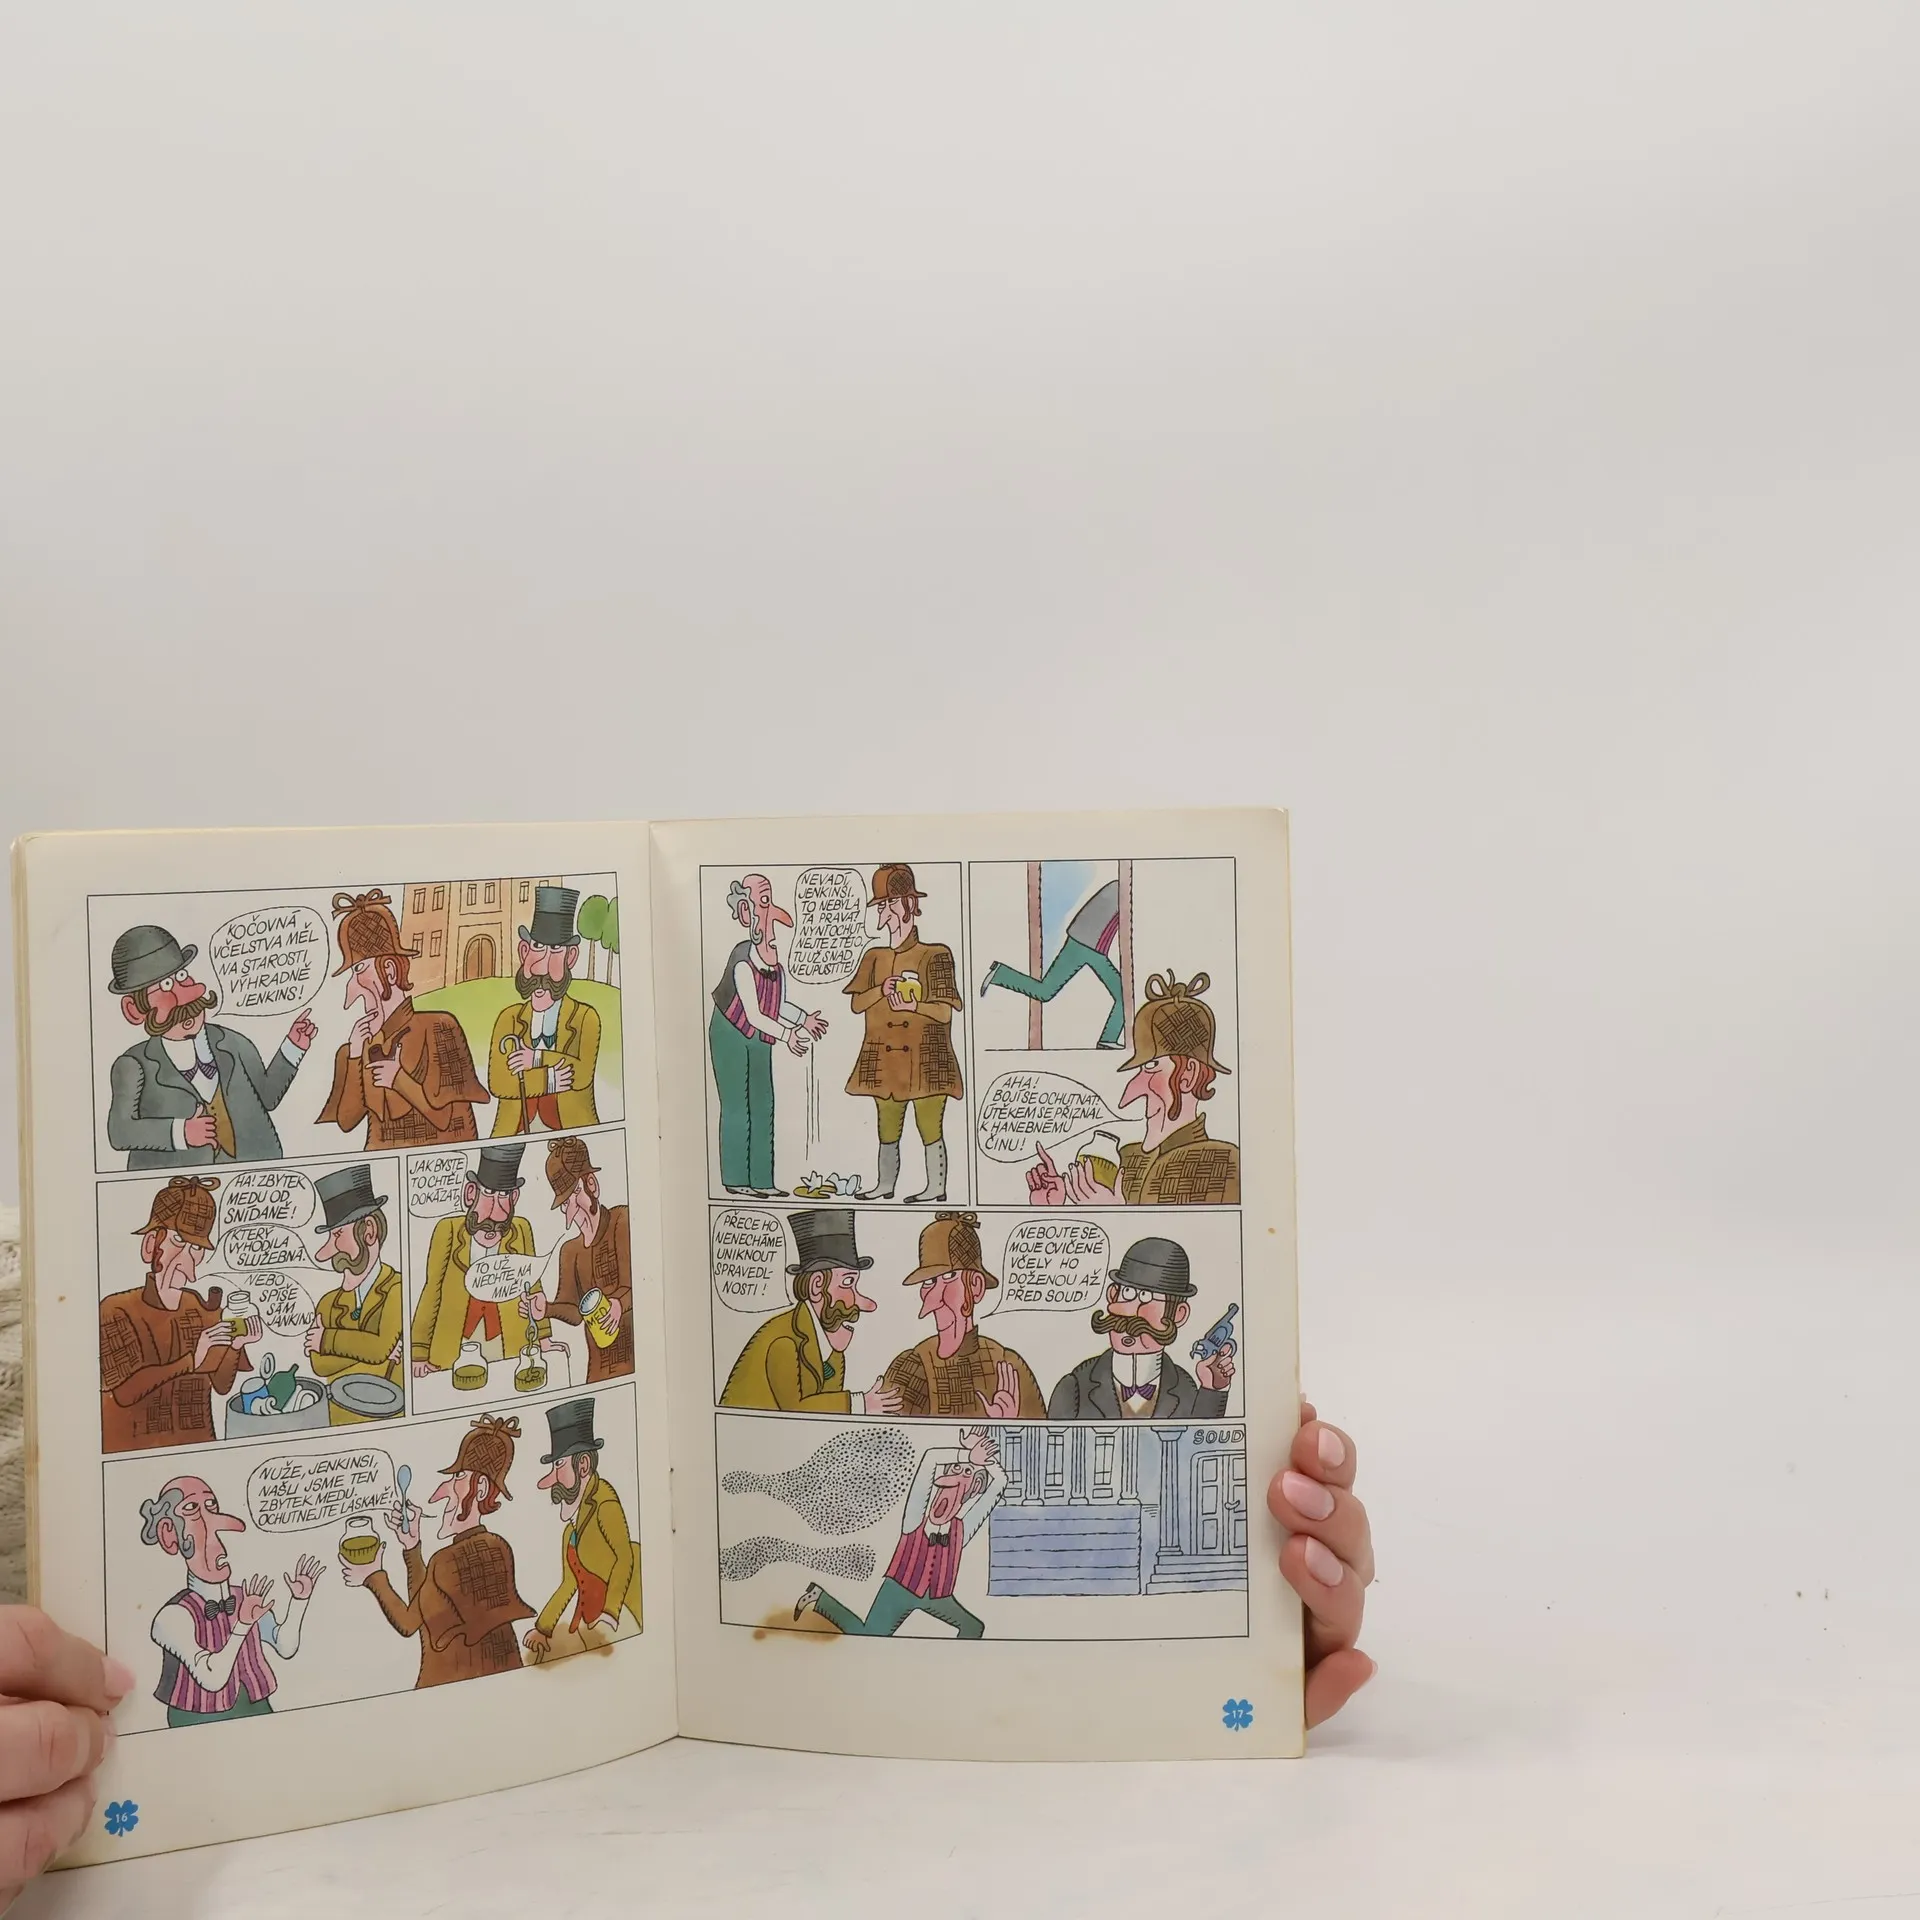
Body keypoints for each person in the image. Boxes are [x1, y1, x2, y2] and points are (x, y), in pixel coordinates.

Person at [341, 1414, 535, 1688]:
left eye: (458, 1477)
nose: (444, 1489)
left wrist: (374, 1576)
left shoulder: (445, 1561)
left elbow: (409, 1622)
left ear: (480, 1488)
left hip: (452, 1688)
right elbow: (430, 1609)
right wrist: (412, 1547)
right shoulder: (499, 1547)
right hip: (504, 1682)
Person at [104, 923, 316, 1168]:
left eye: (181, 976)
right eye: (165, 987)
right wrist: (181, 1133)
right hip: (179, 1181)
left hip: (252, 1170)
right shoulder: (133, 1065)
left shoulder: (233, 1042)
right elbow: (120, 1132)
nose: (186, 995)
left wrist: (292, 1047)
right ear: (134, 1010)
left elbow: (267, 1097)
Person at [1027, 970, 1240, 1207]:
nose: (1134, 1091)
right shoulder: (1127, 1160)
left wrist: (1117, 1212)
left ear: (1188, 1074)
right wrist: (1057, 1205)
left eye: (1152, 1067)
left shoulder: (1224, 1163)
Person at [139, 1476, 322, 1727]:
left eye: (211, 1505)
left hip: (256, 1709)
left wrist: (299, 1601)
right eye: (191, 1508)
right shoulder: (172, 1617)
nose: (209, 1518)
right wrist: (242, 1625)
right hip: (197, 1721)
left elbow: (285, 1647)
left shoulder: (245, 1598)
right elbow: (212, 1679)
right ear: (168, 1533)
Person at [99, 1175, 260, 1453]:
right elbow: (124, 1392)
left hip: (197, 1443)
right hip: (132, 1448)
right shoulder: (116, 1309)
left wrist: (236, 1346)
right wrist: (192, 1359)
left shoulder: (198, 1306)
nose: (187, 1256)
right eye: (178, 1240)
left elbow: (221, 1385)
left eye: (196, 1247)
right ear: (152, 1243)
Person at [315, 888, 487, 1148]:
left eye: (360, 969)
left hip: (438, 1163)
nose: (353, 985)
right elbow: (346, 1121)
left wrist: (398, 1079)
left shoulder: (439, 1028)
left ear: (389, 970)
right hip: (382, 1165)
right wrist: (354, 1055)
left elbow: (443, 1119)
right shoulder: (356, 1048)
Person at [796, 1428, 1006, 1639]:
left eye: (967, 1473)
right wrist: (966, 1454)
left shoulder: (961, 1530)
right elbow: (931, 1458)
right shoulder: (915, 1517)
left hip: (936, 1596)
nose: (958, 1474)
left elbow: (1000, 1482)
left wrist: (983, 1461)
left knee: (973, 1627)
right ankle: (821, 1599)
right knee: (871, 1635)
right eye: (956, 1468)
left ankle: (953, 1663)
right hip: (899, 1589)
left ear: (975, 1486)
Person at [844, 864, 964, 1201]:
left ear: (911, 903)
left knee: (930, 1127)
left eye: (892, 902)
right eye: (881, 904)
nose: (887, 911)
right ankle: (885, 1185)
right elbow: (856, 1005)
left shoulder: (936, 954)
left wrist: (914, 1006)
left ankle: (936, 1188)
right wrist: (881, 990)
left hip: (927, 1059)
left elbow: (944, 1011)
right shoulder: (874, 957)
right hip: (883, 1060)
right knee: (886, 1128)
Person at [707, 873, 828, 1197]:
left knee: (763, 1103)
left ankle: (763, 1181)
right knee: (737, 1106)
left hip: (762, 1035)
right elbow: (754, 1014)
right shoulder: (742, 963)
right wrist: (789, 1035)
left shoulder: (776, 968)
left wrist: (803, 1020)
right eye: (763, 902)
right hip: (730, 1032)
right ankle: (736, 1179)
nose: (773, 916)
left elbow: (777, 1005)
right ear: (747, 913)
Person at [719, 1208, 902, 1414]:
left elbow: (823, 1409)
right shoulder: (784, 1341)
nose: (866, 1304)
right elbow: (795, 1409)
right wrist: (861, 1404)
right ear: (817, 1285)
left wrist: (835, 1353)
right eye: (847, 1282)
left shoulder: (827, 1347)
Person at [876, 1212, 1044, 1420]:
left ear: (976, 1286)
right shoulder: (911, 1367)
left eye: (949, 1277)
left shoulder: (1007, 1365)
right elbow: (887, 1435)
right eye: (929, 1281)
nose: (935, 1294)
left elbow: (1042, 1436)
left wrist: (1007, 1425)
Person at [1046, 1235, 1235, 1420]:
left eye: (1146, 1297)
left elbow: (1202, 1438)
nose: (1130, 1311)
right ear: (1112, 1295)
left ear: (1179, 1314)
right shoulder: (1075, 1388)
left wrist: (1212, 1390)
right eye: (1127, 1293)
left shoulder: (1185, 1389)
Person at [410, 1144, 555, 1377]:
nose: (496, 1209)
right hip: (458, 1344)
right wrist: (418, 1352)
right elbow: (431, 1290)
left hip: (507, 1342)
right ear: (471, 1193)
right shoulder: (448, 1231)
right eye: (488, 1193)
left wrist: (544, 1337)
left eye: (504, 1195)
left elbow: (533, 1284)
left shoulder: (521, 1229)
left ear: (514, 1197)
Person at [523, 1398, 642, 1663]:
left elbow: (624, 1557)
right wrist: (543, 1628)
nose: (550, 1481)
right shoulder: (571, 1530)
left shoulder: (604, 1503)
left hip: (619, 1618)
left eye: (558, 1465)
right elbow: (569, 1583)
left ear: (583, 1465)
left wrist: (610, 1613)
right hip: (588, 1624)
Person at [488, 886, 603, 1137]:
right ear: (524, 951)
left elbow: (580, 1074)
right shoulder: (508, 1018)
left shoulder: (586, 1018)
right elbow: (499, 1082)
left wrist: (535, 1059)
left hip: (572, 1137)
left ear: (571, 957)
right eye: (538, 946)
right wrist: (549, 1079)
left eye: (555, 950)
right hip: (514, 1136)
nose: (542, 965)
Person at [303, 1164, 405, 1424]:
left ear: (369, 1231)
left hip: (390, 1419)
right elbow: (319, 1365)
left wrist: (326, 1339)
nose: (325, 1252)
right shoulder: (327, 1302)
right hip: (339, 1418)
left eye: (338, 1234)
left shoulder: (397, 1288)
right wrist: (375, 1355)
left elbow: (378, 1348)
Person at [980, 873, 1127, 1048]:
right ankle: (1108, 1039)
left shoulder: (1117, 888)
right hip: (1090, 945)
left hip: (1081, 942)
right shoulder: (1121, 890)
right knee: (1123, 995)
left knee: (1045, 991)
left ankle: (1001, 974)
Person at [534, 1137, 633, 1384]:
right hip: (598, 1366)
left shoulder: (621, 1221)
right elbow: (574, 1311)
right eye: (565, 1201)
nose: (571, 1208)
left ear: (592, 1185)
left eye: (575, 1193)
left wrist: (618, 1305)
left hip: (635, 1355)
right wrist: (546, 1309)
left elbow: (639, 1282)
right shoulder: (570, 1251)